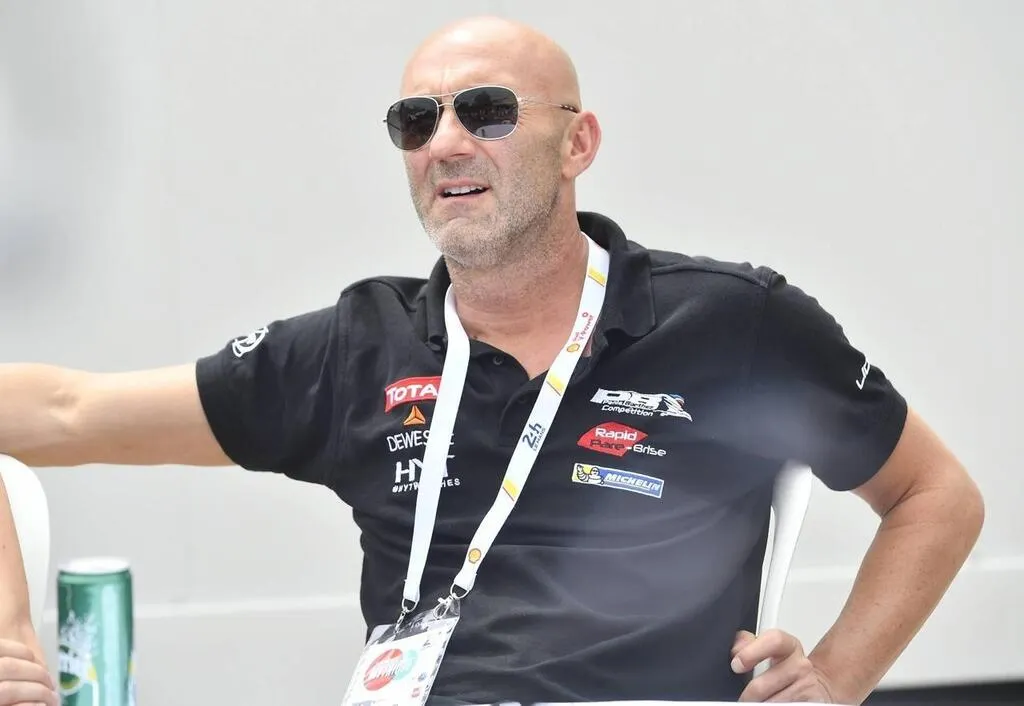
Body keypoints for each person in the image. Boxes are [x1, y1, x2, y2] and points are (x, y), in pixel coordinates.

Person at [0, 14, 984, 706]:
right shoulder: (362, 344)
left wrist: (837, 676)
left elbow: (935, 495)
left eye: (487, 111)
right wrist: (8, 632)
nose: (446, 142)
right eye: (415, 121)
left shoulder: (732, 323)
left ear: (577, 143)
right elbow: (62, 412)